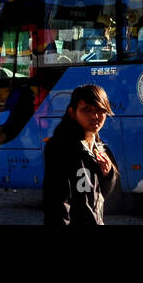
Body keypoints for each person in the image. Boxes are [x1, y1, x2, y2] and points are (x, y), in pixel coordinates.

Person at [43, 84, 118, 225]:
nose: (95, 116)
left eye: (100, 110)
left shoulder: (98, 146)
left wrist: (109, 174)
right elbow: (56, 204)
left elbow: (99, 196)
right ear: (72, 112)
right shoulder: (60, 147)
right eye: (87, 110)